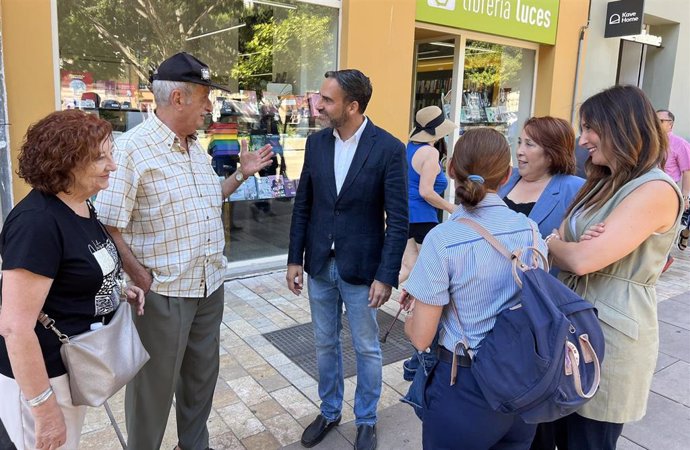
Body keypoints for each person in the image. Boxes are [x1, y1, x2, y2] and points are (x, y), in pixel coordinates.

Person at [94, 52, 273, 450]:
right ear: (178, 99)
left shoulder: (193, 147)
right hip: (164, 294)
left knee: (200, 384)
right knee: (152, 395)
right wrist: (140, 277)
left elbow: (210, 200)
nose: (210, 108)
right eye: (205, 98)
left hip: (209, 287)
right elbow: (107, 224)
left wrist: (241, 174)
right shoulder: (131, 150)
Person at [547, 85, 683, 450]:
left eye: (591, 127)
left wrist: (564, 246)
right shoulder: (603, 181)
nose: (583, 138)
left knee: (587, 440)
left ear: (621, 126)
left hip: (610, 337)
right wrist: (566, 245)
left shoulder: (656, 188)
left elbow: (579, 258)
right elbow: (559, 239)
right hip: (569, 326)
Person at [0, 110, 145, 449]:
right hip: (43, 378)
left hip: (73, 368)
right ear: (64, 163)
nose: (112, 165)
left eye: (111, 154)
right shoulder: (36, 224)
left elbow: (80, 269)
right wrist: (44, 409)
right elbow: (14, 327)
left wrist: (117, 290)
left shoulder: (81, 205)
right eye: (100, 158)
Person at [402, 127, 547, 449]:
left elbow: (421, 337)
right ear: (507, 175)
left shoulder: (444, 239)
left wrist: (413, 314)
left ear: (450, 168)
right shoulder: (530, 230)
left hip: (465, 386)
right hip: (523, 382)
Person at [286, 69, 408, 450]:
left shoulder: (388, 148)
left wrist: (386, 275)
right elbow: (303, 204)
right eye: (320, 97)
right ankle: (330, 410)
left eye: (327, 100)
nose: (318, 105)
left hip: (362, 268)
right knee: (324, 343)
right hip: (320, 264)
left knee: (367, 347)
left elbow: (398, 220)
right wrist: (294, 259)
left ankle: (367, 419)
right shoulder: (317, 144)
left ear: (352, 106)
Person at [499, 116, 585, 241]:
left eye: (529, 144)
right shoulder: (504, 176)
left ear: (552, 154)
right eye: (519, 142)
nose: (519, 151)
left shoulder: (576, 189)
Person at [399, 105, 457, 284]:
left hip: (405, 215)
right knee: (432, 271)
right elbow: (426, 192)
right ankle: (422, 309)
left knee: (408, 266)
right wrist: (452, 208)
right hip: (423, 218)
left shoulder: (410, 147)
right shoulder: (430, 153)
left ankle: (367, 300)